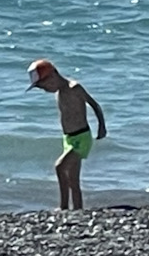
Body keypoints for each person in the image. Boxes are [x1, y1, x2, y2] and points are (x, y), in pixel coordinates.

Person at [28, 59, 107, 210]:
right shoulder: (59, 93)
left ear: (53, 75)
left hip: (81, 137)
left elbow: (94, 104)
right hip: (69, 138)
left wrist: (101, 126)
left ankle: (63, 206)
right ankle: (78, 209)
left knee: (59, 167)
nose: (45, 90)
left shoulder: (74, 88)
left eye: (44, 86)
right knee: (73, 180)